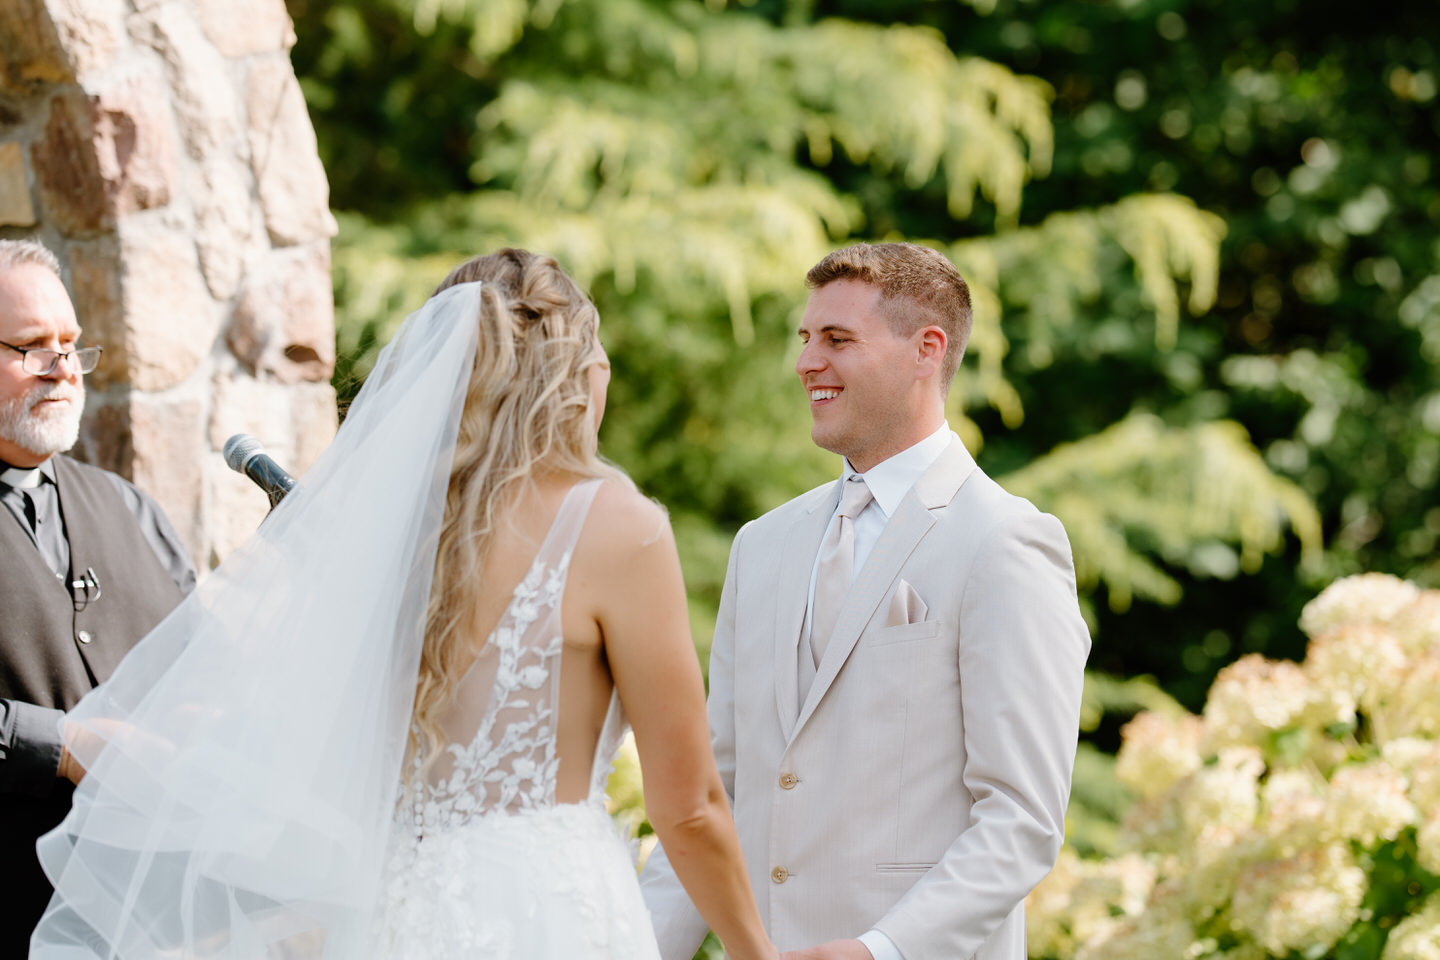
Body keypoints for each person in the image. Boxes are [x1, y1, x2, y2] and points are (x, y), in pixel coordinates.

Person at [31, 249, 778, 960]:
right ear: (581, 372)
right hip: (544, 914)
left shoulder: (379, 535)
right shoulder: (618, 526)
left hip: (390, 913)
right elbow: (689, 808)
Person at [641, 242, 1091, 960]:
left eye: (837, 339)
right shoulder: (761, 545)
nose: (806, 362)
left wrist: (881, 950)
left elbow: (1022, 820)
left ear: (927, 349)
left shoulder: (1005, 542)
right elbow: (715, 791)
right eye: (806, 339)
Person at [0, 239, 196, 958]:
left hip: (148, 927)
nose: (62, 369)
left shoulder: (129, 507)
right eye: (31, 347)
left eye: (72, 345)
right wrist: (60, 747)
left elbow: (202, 665)